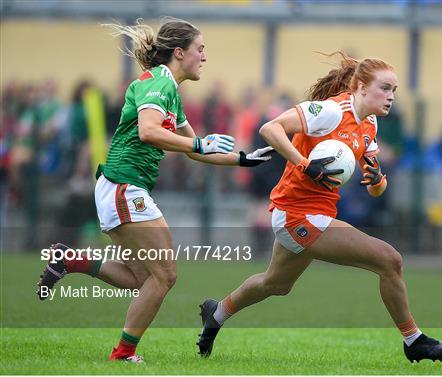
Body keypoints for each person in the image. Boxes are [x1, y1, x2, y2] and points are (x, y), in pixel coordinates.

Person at [36, 18, 273, 363]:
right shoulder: (159, 83)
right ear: (180, 53)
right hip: (123, 184)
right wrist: (200, 142)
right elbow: (150, 131)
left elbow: (193, 149)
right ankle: (123, 353)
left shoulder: (169, 90)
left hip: (122, 186)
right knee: (164, 275)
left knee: (142, 277)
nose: (205, 57)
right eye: (200, 49)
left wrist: (242, 159)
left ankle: (69, 259)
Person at [197, 52, 442, 363]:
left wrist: (377, 180)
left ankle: (216, 313)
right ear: (361, 87)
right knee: (389, 260)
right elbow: (271, 129)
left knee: (275, 284)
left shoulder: (369, 123)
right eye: (385, 88)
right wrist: (304, 164)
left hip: (317, 214)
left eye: (394, 90)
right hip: (296, 214)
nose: (390, 97)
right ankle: (413, 340)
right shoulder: (331, 111)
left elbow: (377, 189)